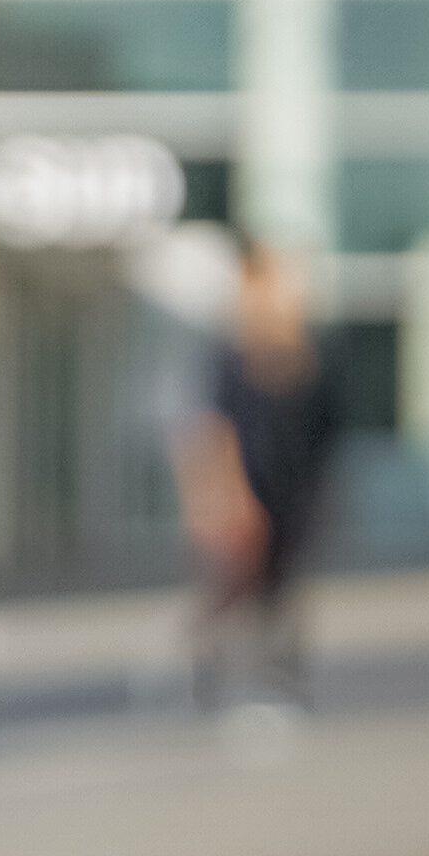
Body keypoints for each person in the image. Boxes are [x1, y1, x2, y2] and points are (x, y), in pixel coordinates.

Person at [169, 228, 338, 715]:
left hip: (291, 496)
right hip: (245, 494)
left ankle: (277, 682)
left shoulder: (309, 357)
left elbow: (323, 437)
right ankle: (212, 667)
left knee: (279, 593)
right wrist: (225, 498)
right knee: (235, 589)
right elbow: (210, 431)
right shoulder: (231, 356)